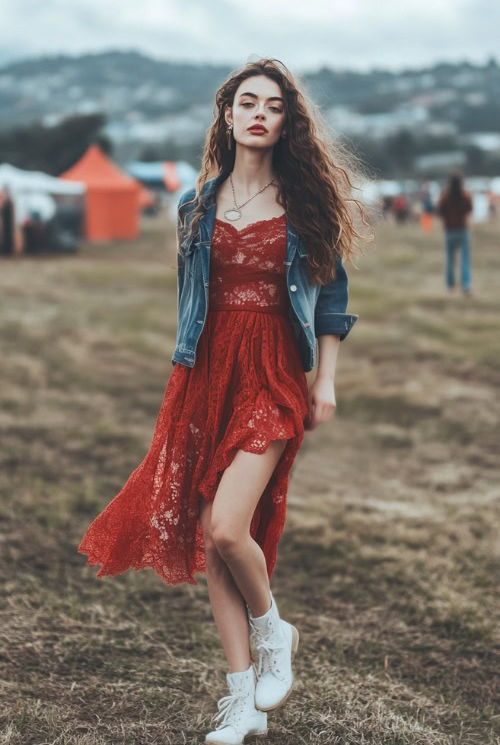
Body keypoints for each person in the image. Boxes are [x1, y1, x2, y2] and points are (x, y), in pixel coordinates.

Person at [77, 58, 370, 744]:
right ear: (228, 116)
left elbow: (332, 297)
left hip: (273, 374)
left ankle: (274, 631)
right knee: (212, 535)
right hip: (209, 377)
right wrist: (188, 374)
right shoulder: (196, 207)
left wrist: (325, 378)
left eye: (274, 104)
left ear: (286, 121)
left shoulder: (307, 205)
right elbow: (194, 303)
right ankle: (241, 701)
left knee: (230, 528)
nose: (259, 112)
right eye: (247, 102)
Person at [436, 171, 473, 295]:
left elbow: (440, 211)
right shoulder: (465, 195)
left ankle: (450, 285)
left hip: (449, 231)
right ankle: (466, 285)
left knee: (450, 260)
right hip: (462, 230)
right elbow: (469, 209)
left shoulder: (445, 196)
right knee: (465, 260)